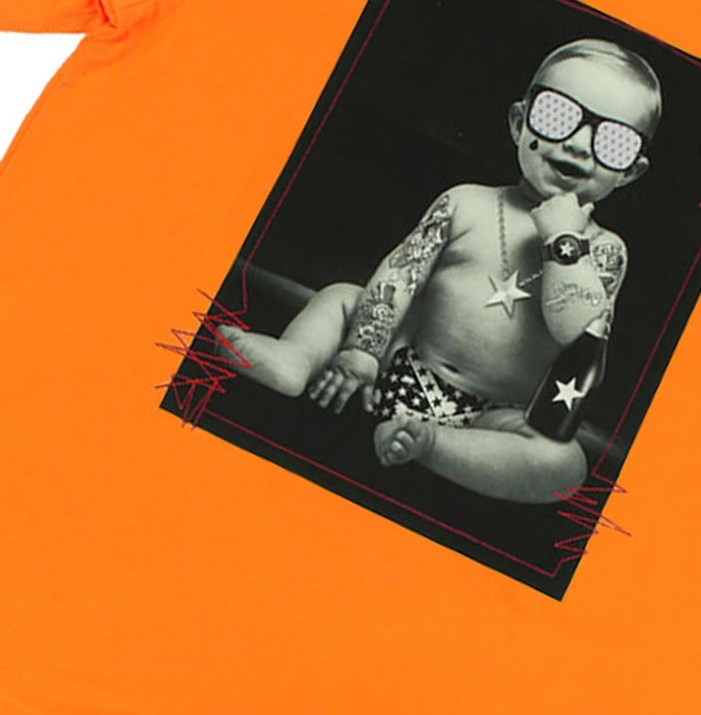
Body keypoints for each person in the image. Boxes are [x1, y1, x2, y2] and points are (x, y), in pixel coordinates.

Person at [218, 37, 663, 503]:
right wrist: (363, 351)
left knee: (564, 465)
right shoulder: (466, 202)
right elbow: (401, 274)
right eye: (557, 115)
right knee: (342, 297)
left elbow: (576, 333)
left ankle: (434, 445)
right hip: (400, 362)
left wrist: (564, 240)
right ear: (519, 123)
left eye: (613, 141)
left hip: (494, 416)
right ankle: (296, 358)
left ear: (630, 171)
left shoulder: (604, 251)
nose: (578, 144)